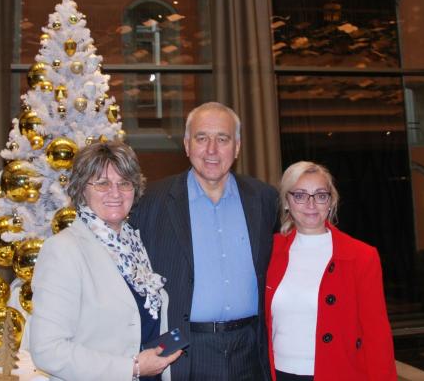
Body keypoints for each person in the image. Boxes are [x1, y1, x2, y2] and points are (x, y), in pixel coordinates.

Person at [132, 102, 279, 381]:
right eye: (202, 138)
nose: (212, 150)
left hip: (249, 351)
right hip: (183, 351)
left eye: (222, 139)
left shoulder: (263, 199)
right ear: (187, 145)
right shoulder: (151, 201)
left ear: (237, 147)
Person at [29, 141, 182, 381]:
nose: (115, 192)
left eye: (124, 183)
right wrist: (132, 368)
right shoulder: (63, 250)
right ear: (82, 189)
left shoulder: (136, 245)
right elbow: (47, 350)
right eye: (102, 183)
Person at [265, 161, 396, 381]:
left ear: (331, 201)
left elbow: (377, 334)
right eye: (300, 195)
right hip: (278, 373)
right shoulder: (269, 251)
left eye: (320, 195)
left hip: (337, 373)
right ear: (286, 202)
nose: (311, 204)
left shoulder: (361, 256)